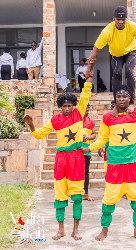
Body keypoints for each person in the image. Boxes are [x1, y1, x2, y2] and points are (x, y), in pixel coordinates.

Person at [80, 59, 136, 241]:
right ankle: (105, 230)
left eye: (125, 96)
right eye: (119, 97)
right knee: (108, 200)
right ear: (115, 99)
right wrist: (90, 148)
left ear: (130, 98)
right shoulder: (108, 117)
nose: (122, 99)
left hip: (133, 164)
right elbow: (103, 138)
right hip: (115, 165)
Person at [24, 77, 92, 241]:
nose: (67, 108)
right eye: (64, 106)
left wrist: (88, 78)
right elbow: (40, 134)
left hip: (77, 158)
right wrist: (31, 125)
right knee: (60, 196)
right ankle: (60, 230)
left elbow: (85, 95)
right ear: (60, 107)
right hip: (61, 159)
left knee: (76, 196)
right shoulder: (55, 120)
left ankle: (75, 230)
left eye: (69, 106)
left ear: (73, 106)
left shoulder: (79, 113)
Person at [86, 6, 136, 99]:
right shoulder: (108, 30)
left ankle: (131, 100)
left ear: (126, 19)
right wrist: (89, 69)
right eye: (118, 19)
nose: (121, 22)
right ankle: (116, 101)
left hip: (131, 51)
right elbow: (95, 51)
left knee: (128, 70)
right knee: (116, 73)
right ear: (114, 19)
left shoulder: (133, 26)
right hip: (116, 54)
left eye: (123, 19)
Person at [82, 104, 96, 201]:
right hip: (77, 150)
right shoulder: (76, 120)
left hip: (87, 150)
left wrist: (88, 137)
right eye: (85, 110)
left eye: (88, 111)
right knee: (77, 173)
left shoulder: (91, 121)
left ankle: (86, 194)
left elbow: (94, 134)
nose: (87, 112)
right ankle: (77, 194)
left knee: (86, 172)